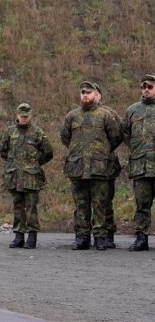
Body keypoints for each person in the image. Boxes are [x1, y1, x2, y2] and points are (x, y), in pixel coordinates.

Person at [60, 81, 122, 251]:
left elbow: (116, 137)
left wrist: (102, 152)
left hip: (99, 167)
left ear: (96, 95)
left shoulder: (106, 115)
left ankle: (101, 237)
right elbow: (66, 138)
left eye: (88, 92)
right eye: (82, 92)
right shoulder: (72, 116)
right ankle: (82, 237)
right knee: (80, 204)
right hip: (78, 167)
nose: (85, 95)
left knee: (100, 203)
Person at [0, 103, 53, 249]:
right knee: (18, 206)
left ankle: (32, 236)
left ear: (30, 116)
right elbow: (3, 150)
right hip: (15, 176)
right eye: (22, 116)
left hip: (31, 178)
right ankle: (18, 236)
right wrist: (13, 163)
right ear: (17, 115)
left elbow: (48, 152)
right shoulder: (9, 132)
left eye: (26, 116)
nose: (24, 119)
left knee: (31, 207)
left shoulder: (37, 132)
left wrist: (34, 164)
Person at [121, 74, 155, 251]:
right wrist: (136, 149)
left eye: (150, 87)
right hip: (141, 166)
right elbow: (125, 133)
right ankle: (141, 238)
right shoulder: (132, 110)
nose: (146, 90)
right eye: (144, 87)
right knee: (142, 205)